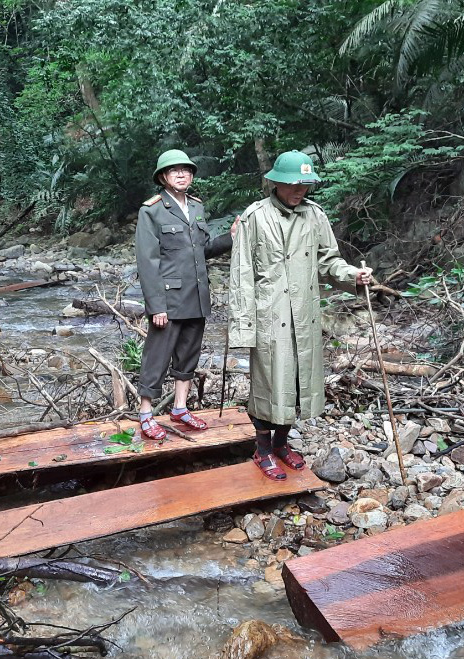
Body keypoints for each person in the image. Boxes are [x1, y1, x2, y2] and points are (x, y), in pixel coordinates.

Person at [228, 150, 371, 480]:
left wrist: (352, 275)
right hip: (270, 315)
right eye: (293, 184)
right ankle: (262, 450)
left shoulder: (315, 216)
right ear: (275, 183)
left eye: (305, 185)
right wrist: (243, 326)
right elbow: (241, 274)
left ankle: (281, 444)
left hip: (304, 315)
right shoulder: (254, 217)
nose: (299, 191)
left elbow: (328, 261)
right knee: (269, 384)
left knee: (297, 381)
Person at [134, 149, 236, 440]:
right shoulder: (151, 210)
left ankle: (180, 408)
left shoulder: (196, 207)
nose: (182, 174)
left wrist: (232, 237)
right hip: (168, 298)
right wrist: (156, 306)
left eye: (186, 170)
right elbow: (148, 261)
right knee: (157, 355)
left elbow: (202, 250)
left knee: (188, 354)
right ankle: (145, 413)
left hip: (196, 296)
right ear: (163, 177)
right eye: (174, 170)